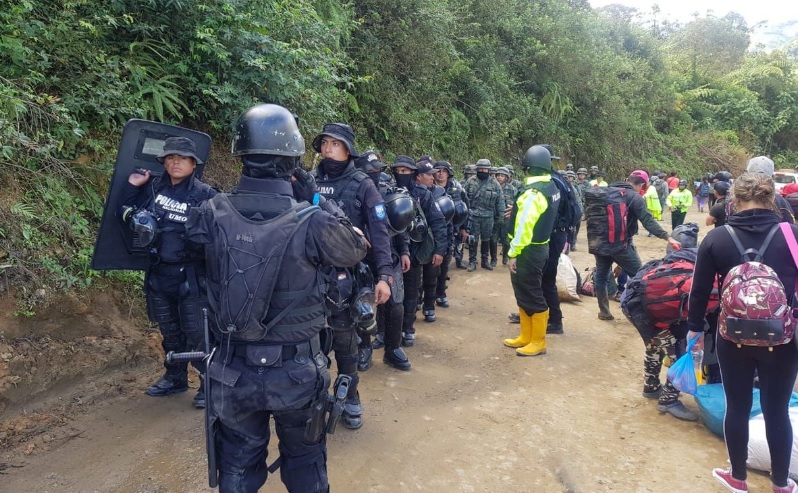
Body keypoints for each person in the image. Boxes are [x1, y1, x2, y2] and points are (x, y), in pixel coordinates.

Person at [185, 103, 368, 493]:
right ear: (294, 160)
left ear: (241, 156)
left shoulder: (209, 212)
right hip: (296, 372)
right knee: (304, 465)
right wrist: (317, 199)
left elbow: (192, 265)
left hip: (232, 370)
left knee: (236, 465)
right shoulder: (313, 219)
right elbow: (356, 247)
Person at [687, 172, 798, 493]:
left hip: (731, 336)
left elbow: (699, 292)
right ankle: (780, 484)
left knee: (737, 405)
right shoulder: (791, 234)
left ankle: (737, 477)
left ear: (733, 200)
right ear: (771, 200)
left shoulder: (717, 238)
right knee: (777, 409)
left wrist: (695, 332)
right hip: (783, 337)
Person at [119, 136, 217, 408]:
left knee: (197, 332)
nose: (176, 162)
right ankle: (175, 378)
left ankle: (208, 383)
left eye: (182, 158)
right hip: (159, 273)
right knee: (170, 331)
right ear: (163, 161)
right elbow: (125, 212)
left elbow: (220, 235)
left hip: (192, 277)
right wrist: (132, 190)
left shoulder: (206, 195)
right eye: (171, 157)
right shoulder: (152, 188)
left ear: (193, 164)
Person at [311, 122, 393, 429]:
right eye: (325, 143)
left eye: (335, 143)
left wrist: (385, 275)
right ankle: (313, 397)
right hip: (309, 275)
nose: (328, 148)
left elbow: (379, 232)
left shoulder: (363, 184)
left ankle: (350, 396)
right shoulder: (309, 182)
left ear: (348, 149)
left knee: (346, 344)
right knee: (309, 345)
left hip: (346, 277)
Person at [586, 171, 681, 321]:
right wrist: (667, 237)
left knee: (601, 277)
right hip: (621, 246)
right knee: (641, 277)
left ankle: (604, 311)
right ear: (641, 185)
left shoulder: (605, 192)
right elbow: (647, 221)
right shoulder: (634, 197)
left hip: (599, 243)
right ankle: (643, 313)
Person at [356, 151, 413, 371]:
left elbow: (399, 226)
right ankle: (364, 348)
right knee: (362, 306)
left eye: (378, 170)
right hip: (360, 258)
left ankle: (393, 348)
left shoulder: (388, 192)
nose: (376, 174)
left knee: (395, 305)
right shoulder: (354, 193)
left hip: (389, 256)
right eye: (371, 171)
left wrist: (405, 250)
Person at [502, 145, 560, 356]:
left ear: (527, 168)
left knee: (532, 294)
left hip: (528, 251)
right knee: (524, 293)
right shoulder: (551, 186)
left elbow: (524, 227)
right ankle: (526, 337)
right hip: (539, 248)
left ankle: (538, 341)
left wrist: (513, 253)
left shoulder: (533, 193)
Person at [391, 156, 447, 347]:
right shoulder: (388, 192)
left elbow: (438, 223)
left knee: (411, 292)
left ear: (413, 173)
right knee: (389, 295)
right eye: (398, 171)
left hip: (414, 253)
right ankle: (384, 333)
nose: (401, 174)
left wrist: (440, 250)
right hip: (391, 251)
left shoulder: (423, 195)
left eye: (405, 171)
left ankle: (407, 329)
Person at [464, 158, 504, 271]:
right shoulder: (470, 181)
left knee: (486, 239)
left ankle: (485, 261)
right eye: (480, 169)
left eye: (485, 169)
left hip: (488, 216)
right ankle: (472, 261)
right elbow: (463, 199)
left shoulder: (494, 183)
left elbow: (500, 201)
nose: (483, 171)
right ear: (477, 169)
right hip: (474, 216)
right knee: (473, 239)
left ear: (489, 170)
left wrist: (500, 216)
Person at [493, 166, 516, 266]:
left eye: (502, 176)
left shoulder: (512, 189)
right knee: (493, 239)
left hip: (507, 218)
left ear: (507, 177)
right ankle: (493, 259)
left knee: (506, 240)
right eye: (498, 175)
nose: (499, 178)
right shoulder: (492, 187)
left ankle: (505, 257)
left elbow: (517, 203)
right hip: (494, 217)